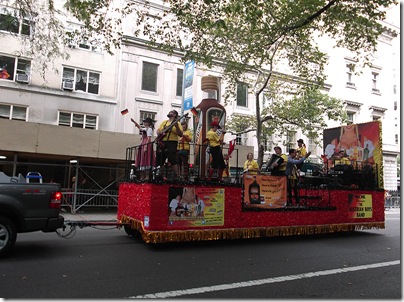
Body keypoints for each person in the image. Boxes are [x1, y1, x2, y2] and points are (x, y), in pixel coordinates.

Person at [156, 110, 183, 178]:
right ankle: (161, 176)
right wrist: (159, 132)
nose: (169, 112)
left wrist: (176, 126)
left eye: (171, 112)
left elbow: (180, 134)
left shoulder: (178, 123)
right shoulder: (164, 122)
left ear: (174, 115)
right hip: (162, 142)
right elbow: (158, 130)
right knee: (160, 159)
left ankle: (178, 176)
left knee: (172, 158)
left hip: (171, 142)